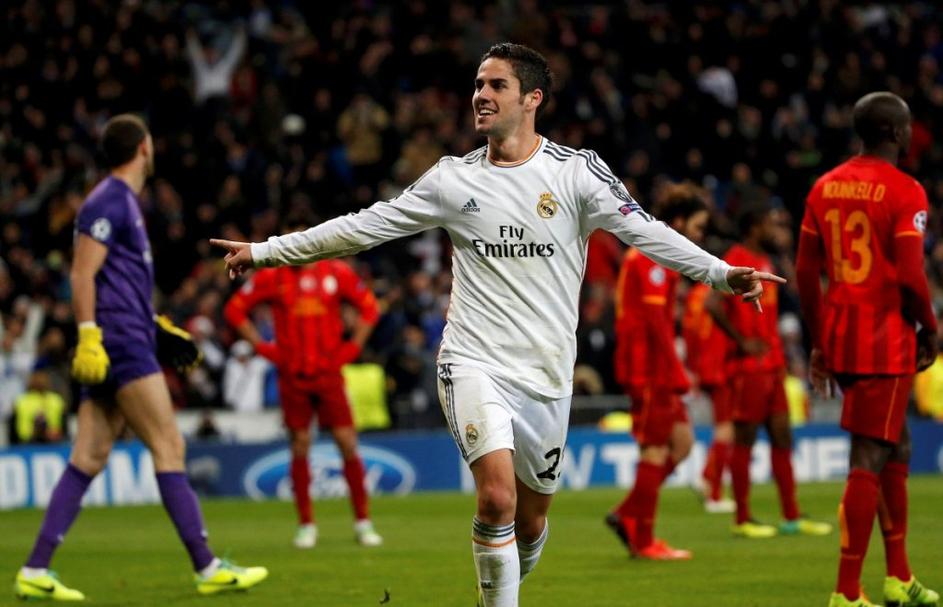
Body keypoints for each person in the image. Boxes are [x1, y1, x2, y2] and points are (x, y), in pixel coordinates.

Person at [212, 43, 782, 607]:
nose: (481, 95)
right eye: (478, 84)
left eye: (496, 85)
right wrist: (266, 251)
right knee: (495, 500)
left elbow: (645, 230)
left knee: (529, 525)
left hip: (547, 377)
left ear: (532, 98)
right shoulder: (451, 180)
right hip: (473, 362)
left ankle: (503, 581)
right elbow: (363, 227)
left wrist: (718, 273)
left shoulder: (576, 174)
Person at [13, 114, 267, 602]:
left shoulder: (122, 201)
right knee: (168, 444)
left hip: (125, 334)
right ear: (144, 148)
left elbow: (114, 281)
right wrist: (90, 335)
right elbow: (82, 274)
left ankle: (35, 568)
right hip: (119, 342)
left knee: (89, 456)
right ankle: (207, 566)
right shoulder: (108, 200)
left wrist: (152, 324)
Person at [796, 91, 940, 607]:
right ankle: (846, 590)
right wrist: (930, 327)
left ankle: (898, 575)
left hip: (842, 333)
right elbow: (911, 274)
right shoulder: (905, 190)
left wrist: (819, 340)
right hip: (884, 338)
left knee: (895, 444)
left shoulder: (825, 186)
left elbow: (805, 273)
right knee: (870, 455)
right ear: (898, 133)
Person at [223, 243, 383, 549]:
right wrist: (262, 346)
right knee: (299, 445)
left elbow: (370, 308)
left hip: (328, 373)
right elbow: (234, 310)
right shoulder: (273, 276)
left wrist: (353, 347)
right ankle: (306, 524)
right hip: (293, 375)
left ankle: (363, 522)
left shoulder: (336, 272)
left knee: (347, 442)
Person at [706, 205, 832, 540]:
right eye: (768, 224)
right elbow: (712, 304)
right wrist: (741, 341)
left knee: (782, 435)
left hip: (773, 366)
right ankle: (742, 517)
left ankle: (791, 515)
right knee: (745, 439)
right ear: (753, 227)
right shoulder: (736, 258)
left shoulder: (765, 261)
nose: (774, 230)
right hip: (749, 368)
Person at [605, 182, 711, 560]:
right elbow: (656, 326)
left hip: (655, 369)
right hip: (649, 370)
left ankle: (627, 513)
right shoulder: (652, 258)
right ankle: (645, 540)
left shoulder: (653, 256)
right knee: (655, 449)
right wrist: (677, 371)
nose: (700, 235)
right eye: (697, 227)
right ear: (679, 222)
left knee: (682, 445)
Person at [683, 282, 735, 513]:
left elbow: (689, 332)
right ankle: (712, 489)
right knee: (726, 428)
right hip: (720, 365)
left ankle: (707, 479)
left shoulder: (695, 295)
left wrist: (693, 367)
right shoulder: (721, 291)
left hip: (703, 364)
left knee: (724, 427)